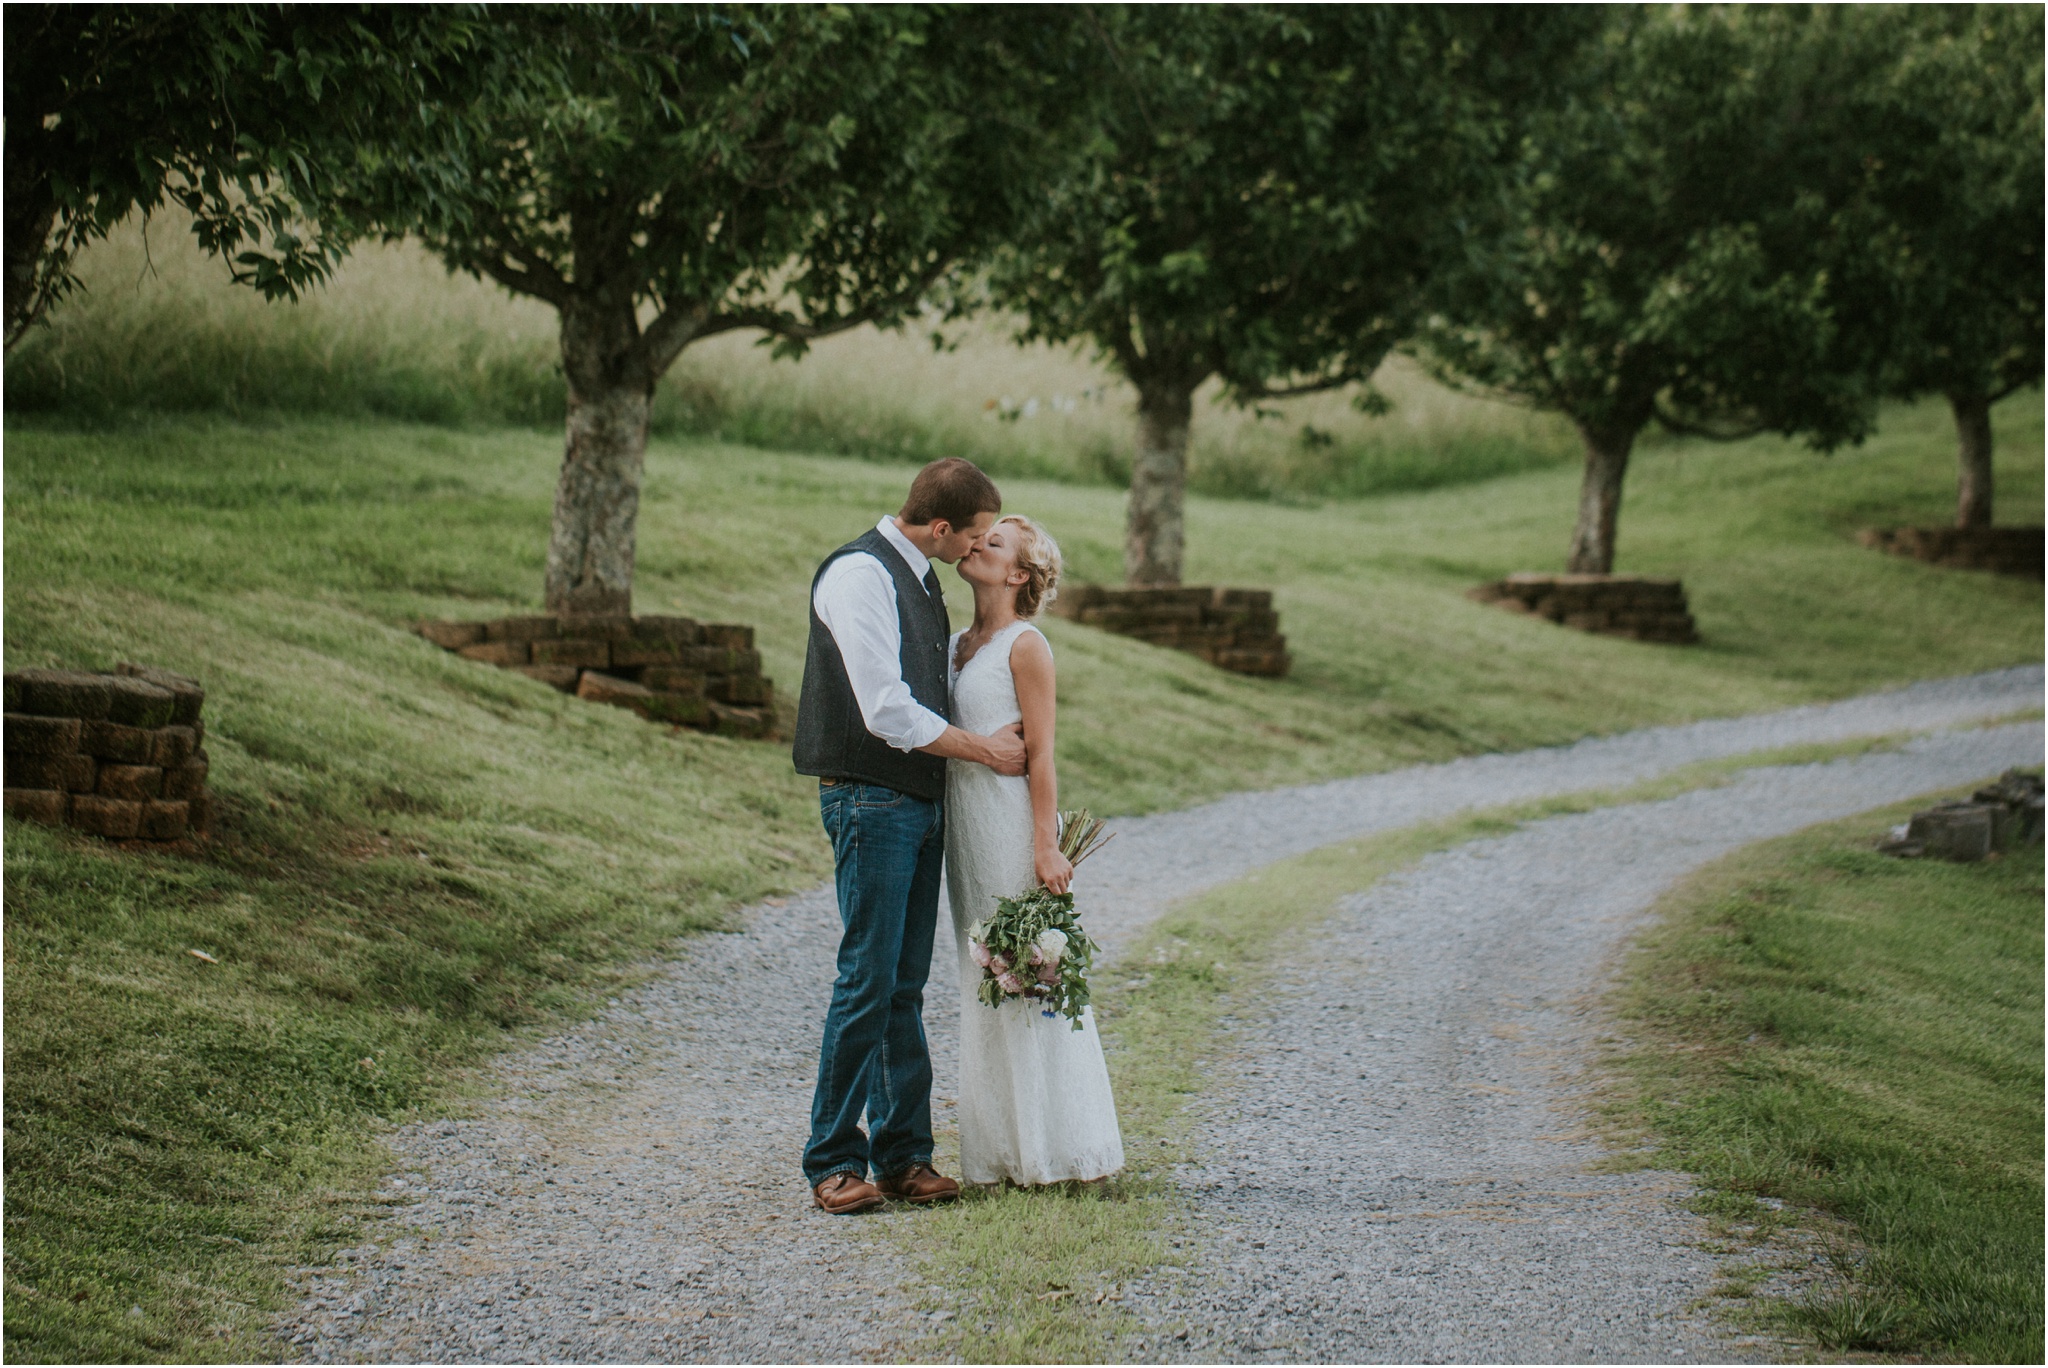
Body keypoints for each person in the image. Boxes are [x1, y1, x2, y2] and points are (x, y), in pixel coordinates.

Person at [793, 457, 1028, 1215]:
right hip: (870, 800)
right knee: (865, 978)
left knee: (902, 986)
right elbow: (886, 711)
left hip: (916, 805)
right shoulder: (861, 576)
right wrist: (985, 750)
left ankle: (902, 1157)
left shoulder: (922, 576)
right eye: (977, 536)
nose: (978, 549)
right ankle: (832, 1160)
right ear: (940, 528)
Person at [944, 515, 1125, 1186]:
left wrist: (1045, 846)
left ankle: (1062, 1150)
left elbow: (1043, 752)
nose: (973, 544)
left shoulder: (1026, 646)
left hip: (1009, 827)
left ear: (1018, 575)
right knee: (981, 978)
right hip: (963, 832)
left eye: (990, 544)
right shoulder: (955, 643)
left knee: (1027, 977)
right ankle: (1000, 1154)